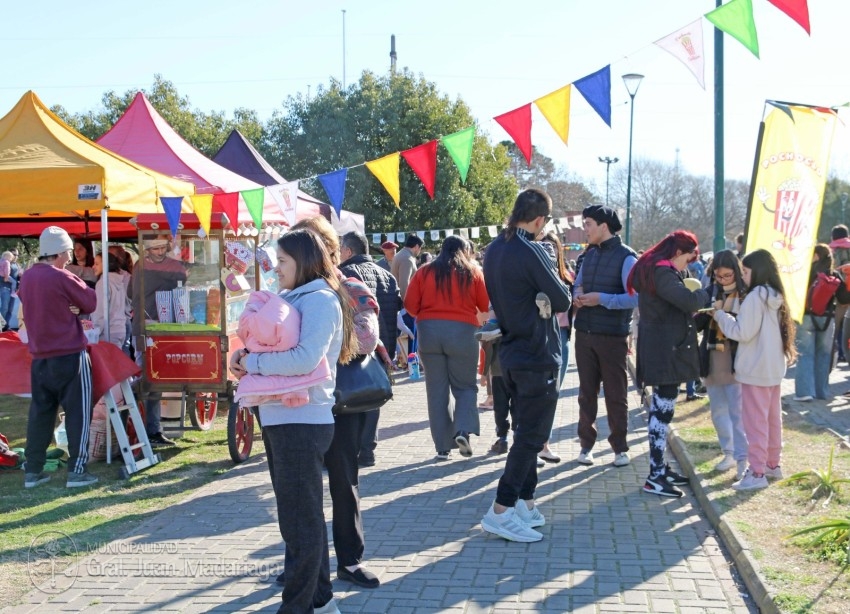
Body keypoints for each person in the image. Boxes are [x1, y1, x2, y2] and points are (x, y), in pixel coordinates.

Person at [230, 229, 355, 614]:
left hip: (303, 419)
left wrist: (252, 363)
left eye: (282, 260)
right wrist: (243, 358)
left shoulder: (318, 299)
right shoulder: (297, 296)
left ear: (303, 261)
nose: (276, 267)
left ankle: (297, 606)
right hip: (283, 417)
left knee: (300, 523)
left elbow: (304, 358)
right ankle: (320, 600)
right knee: (299, 518)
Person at [289, 216, 386, 591]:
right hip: (297, 402)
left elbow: (365, 340)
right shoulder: (287, 291)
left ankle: (350, 560)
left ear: (331, 250)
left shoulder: (350, 287)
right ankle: (300, 563)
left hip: (341, 401)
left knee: (344, 481)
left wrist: (316, 339)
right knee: (299, 489)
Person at [480, 188, 571, 543]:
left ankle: (525, 504)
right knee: (532, 436)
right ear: (538, 220)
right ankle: (501, 510)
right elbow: (562, 297)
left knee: (524, 434)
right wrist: (542, 293)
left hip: (511, 351)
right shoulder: (531, 249)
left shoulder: (494, 249)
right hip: (537, 351)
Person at [628, 230, 709, 498]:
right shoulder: (662, 271)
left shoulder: (656, 269)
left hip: (664, 348)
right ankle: (655, 475)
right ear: (678, 253)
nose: (690, 263)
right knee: (662, 413)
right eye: (689, 257)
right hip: (665, 351)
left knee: (663, 411)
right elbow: (686, 301)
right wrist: (705, 294)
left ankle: (660, 468)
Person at [19, 226, 98, 489]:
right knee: (78, 413)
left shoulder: (27, 277)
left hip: (40, 356)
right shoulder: (62, 276)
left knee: (40, 413)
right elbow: (90, 302)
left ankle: (32, 471)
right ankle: (77, 471)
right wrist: (73, 306)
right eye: (68, 253)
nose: (69, 258)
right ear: (62, 252)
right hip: (70, 354)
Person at [713, 249, 796, 490]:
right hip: (773, 368)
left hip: (754, 368)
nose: (743, 276)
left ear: (756, 271)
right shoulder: (775, 294)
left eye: (746, 271)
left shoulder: (754, 297)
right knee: (772, 420)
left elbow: (742, 332)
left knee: (755, 423)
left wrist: (721, 316)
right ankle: (772, 464)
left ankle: (757, 472)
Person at [404, 235, 489, 460]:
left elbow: (410, 306)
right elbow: (483, 304)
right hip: (463, 332)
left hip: (429, 332)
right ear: (464, 250)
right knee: (465, 387)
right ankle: (462, 431)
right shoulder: (473, 271)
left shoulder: (424, 271)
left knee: (436, 391)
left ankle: (442, 447)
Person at [572, 204, 638, 468]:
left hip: (612, 336)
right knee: (586, 393)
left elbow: (634, 298)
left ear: (603, 226)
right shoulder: (587, 256)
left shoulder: (628, 258)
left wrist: (602, 299)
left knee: (616, 394)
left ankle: (620, 449)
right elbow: (578, 283)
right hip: (584, 333)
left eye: (587, 223)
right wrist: (577, 295)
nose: (584, 229)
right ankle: (585, 446)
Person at [339, 231, 402, 468]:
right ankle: (367, 450)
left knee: (353, 393)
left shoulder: (345, 274)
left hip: (356, 343)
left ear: (348, 250)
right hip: (384, 342)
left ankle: (354, 448)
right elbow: (396, 309)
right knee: (373, 394)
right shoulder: (387, 275)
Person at [694, 250, 749, 479]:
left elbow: (746, 328)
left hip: (737, 358)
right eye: (719, 276)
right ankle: (727, 451)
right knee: (718, 410)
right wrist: (709, 313)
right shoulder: (710, 292)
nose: (723, 280)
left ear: (736, 272)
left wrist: (725, 313)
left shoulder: (746, 293)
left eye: (727, 276)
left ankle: (742, 458)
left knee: (738, 411)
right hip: (713, 357)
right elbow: (696, 324)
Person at [128, 237, 188, 446]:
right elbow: (131, 294)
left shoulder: (170, 266)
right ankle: (140, 428)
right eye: (156, 248)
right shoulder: (142, 268)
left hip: (166, 327)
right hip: (146, 328)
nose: (160, 252)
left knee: (157, 380)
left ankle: (152, 430)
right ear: (147, 249)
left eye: (163, 247)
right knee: (147, 379)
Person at [538, 230, 574, 464]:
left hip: (560, 337)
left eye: (552, 247)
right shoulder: (532, 274)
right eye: (542, 246)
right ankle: (529, 444)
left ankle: (544, 444)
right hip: (537, 337)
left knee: (552, 394)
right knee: (533, 392)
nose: (548, 251)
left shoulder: (567, 276)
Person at [793, 244, 836, 401]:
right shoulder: (833, 274)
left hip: (806, 317)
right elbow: (845, 298)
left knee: (805, 353)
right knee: (823, 355)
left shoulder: (804, 274)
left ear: (816, 256)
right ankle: (821, 392)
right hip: (827, 319)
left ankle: (805, 392)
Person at [91, 253, 129, 348]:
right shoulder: (119, 280)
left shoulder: (103, 283)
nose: (93, 267)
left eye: (96, 264)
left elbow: (99, 311)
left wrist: (94, 332)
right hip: (120, 329)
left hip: (108, 332)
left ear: (106, 264)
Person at [829, 225, 850, 362]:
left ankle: (832, 356)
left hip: (839, 294)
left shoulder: (832, 250)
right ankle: (844, 353)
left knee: (835, 328)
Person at [391, 234, 423, 300]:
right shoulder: (407, 259)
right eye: (420, 248)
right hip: (403, 302)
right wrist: (407, 305)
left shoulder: (401, 254)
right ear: (417, 246)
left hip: (396, 298)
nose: (420, 251)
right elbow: (404, 285)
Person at [0, 251, 13, 332]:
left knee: (4, 307)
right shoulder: (7, 262)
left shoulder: (1, 261)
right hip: (5, 286)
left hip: (3, 286)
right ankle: (2, 325)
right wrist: (6, 277)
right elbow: (7, 271)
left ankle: (2, 325)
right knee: (4, 307)